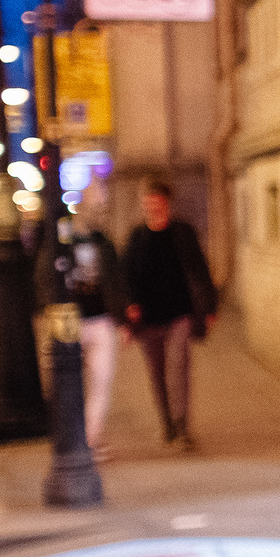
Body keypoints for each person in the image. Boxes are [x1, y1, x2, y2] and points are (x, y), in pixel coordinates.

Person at [122, 178, 216, 448]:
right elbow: (125, 275)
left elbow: (200, 269)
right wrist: (129, 307)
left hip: (180, 313)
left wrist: (210, 307)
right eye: (147, 204)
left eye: (156, 203)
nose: (152, 208)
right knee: (158, 374)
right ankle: (168, 424)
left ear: (167, 204)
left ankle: (183, 426)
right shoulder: (137, 237)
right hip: (148, 318)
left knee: (179, 367)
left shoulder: (182, 232)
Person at [36, 195, 127, 456]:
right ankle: (68, 437)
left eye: (96, 211)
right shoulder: (58, 245)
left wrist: (123, 318)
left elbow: (116, 280)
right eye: (85, 211)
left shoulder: (104, 243)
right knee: (65, 380)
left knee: (102, 379)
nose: (90, 216)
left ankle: (90, 439)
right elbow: (44, 277)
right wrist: (47, 310)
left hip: (101, 319)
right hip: (69, 319)